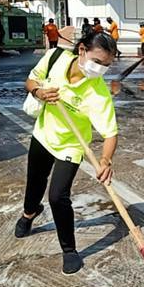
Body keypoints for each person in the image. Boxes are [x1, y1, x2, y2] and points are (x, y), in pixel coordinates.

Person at [15, 32, 119, 274]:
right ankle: (29, 213)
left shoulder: (98, 92)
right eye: (97, 61)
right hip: (43, 134)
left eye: (106, 66)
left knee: (57, 196)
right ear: (81, 50)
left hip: (72, 146)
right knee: (35, 183)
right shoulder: (56, 58)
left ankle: (69, 250)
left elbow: (110, 133)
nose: (100, 70)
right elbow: (31, 81)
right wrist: (38, 92)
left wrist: (105, 160)